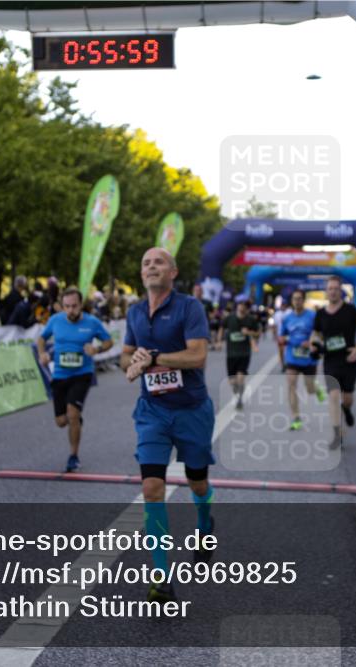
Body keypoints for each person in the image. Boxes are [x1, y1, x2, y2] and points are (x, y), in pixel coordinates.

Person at [121, 247, 216, 604]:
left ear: (173, 272)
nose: (151, 267)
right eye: (146, 262)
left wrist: (155, 358)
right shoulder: (134, 312)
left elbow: (198, 355)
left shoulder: (189, 307)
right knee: (151, 487)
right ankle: (161, 576)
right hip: (152, 411)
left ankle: (205, 522)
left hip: (191, 410)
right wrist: (135, 362)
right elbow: (125, 358)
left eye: (158, 262)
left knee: (198, 481)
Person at [37, 287, 113, 473]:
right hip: (60, 375)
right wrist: (42, 353)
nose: (71, 310)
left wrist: (97, 350)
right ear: (62, 306)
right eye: (67, 306)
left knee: (71, 414)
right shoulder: (55, 320)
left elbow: (108, 341)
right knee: (61, 421)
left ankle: (73, 456)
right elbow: (41, 338)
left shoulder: (92, 322)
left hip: (82, 374)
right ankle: (75, 420)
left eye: (74, 306)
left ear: (81, 305)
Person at [311, 276, 356, 448]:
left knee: (347, 398)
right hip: (330, 361)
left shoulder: (351, 310)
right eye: (330, 288)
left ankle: (347, 409)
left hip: (349, 360)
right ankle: (337, 434)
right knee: (334, 396)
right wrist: (313, 345)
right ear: (326, 292)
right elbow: (316, 333)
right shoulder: (320, 314)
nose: (333, 291)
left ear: (340, 291)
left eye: (336, 288)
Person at [279, 289, 325, 431]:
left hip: (308, 358)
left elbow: (321, 334)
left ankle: (316, 388)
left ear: (303, 300)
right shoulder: (286, 318)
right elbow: (281, 337)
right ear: (291, 301)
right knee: (291, 385)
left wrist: (312, 342)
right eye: (294, 299)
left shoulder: (312, 316)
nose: (296, 301)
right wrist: (284, 340)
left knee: (309, 389)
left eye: (299, 298)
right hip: (292, 356)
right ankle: (296, 418)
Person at [217, 297, 261, 410]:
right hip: (231, 354)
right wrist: (219, 341)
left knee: (240, 378)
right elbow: (221, 328)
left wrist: (249, 332)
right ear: (237, 306)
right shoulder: (229, 318)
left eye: (244, 305)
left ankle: (240, 399)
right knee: (232, 381)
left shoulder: (250, 319)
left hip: (244, 353)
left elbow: (257, 334)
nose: (242, 307)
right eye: (240, 304)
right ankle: (237, 393)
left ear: (247, 307)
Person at [272, 300, 290, 371]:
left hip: (288, 335)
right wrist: (275, 335)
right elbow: (275, 325)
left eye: (284, 305)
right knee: (281, 351)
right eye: (282, 305)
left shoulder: (290, 312)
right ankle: (283, 365)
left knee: (288, 350)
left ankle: (288, 364)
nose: (283, 306)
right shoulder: (277, 314)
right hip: (280, 335)